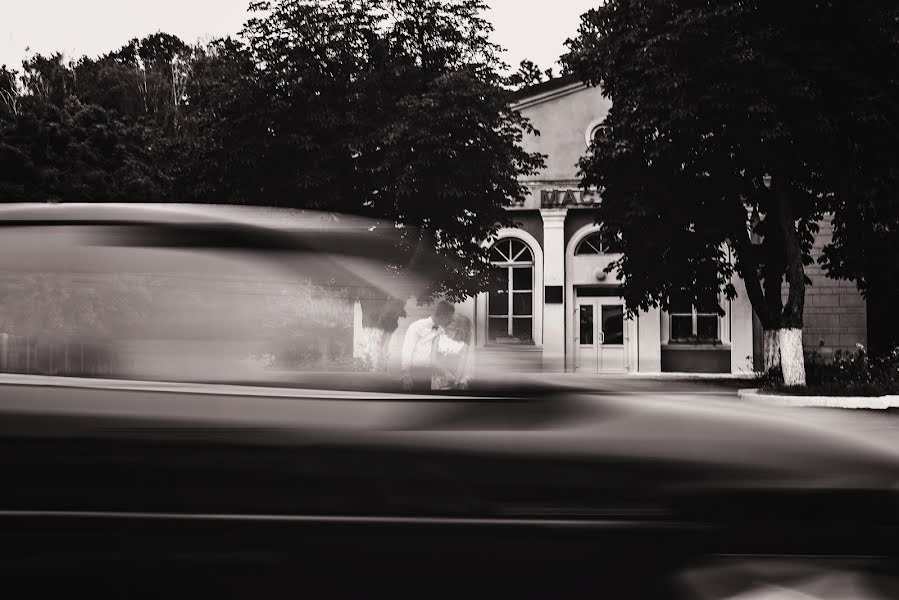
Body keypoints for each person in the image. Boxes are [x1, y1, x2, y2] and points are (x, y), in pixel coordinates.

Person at [401, 301, 454, 391]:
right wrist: (406, 374)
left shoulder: (440, 330)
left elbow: (439, 353)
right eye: (449, 318)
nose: (450, 321)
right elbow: (407, 351)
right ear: (443, 317)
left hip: (429, 373)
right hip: (414, 372)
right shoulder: (416, 327)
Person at [430, 315, 473, 391]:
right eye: (447, 328)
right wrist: (446, 372)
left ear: (459, 330)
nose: (447, 331)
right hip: (439, 377)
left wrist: (456, 383)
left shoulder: (463, 344)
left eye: (451, 330)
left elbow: (461, 365)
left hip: (457, 378)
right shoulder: (438, 338)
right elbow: (433, 359)